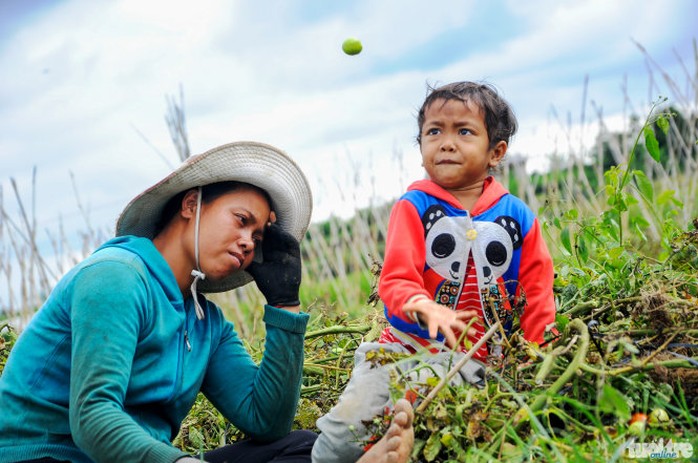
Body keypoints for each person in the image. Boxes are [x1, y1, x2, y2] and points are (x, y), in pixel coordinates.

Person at [0, 140, 415, 463]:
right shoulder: (117, 277)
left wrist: (285, 303)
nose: (248, 242)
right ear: (192, 204)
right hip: (50, 454)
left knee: (299, 448)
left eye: (256, 237)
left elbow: (266, 421)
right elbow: (92, 418)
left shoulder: (205, 322)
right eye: (241, 220)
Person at [310, 81, 556, 463]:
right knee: (339, 439)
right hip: (401, 350)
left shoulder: (518, 217)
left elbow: (537, 290)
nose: (446, 142)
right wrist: (423, 306)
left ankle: (395, 435)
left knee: (440, 397)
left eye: (464, 131)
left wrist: (539, 351)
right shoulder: (414, 207)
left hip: (479, 360)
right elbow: (396, 278)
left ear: (496, 151)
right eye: (434, 131)